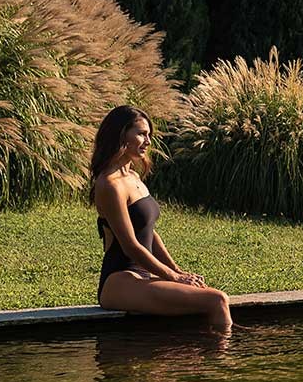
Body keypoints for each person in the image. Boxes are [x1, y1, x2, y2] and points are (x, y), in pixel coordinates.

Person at [90, 105, 232, 329]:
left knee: (204, 305)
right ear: (120, 135)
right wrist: (172, 277)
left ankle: (213, 358)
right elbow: (130, 246)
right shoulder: (109, 184)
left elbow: (148, 231)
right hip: (120, 280)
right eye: (141, 134)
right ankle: (222, 362)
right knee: (217, 300)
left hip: (145, 275)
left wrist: (176, 270)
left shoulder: (134, 177)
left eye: (149, 135)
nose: (147, 141)